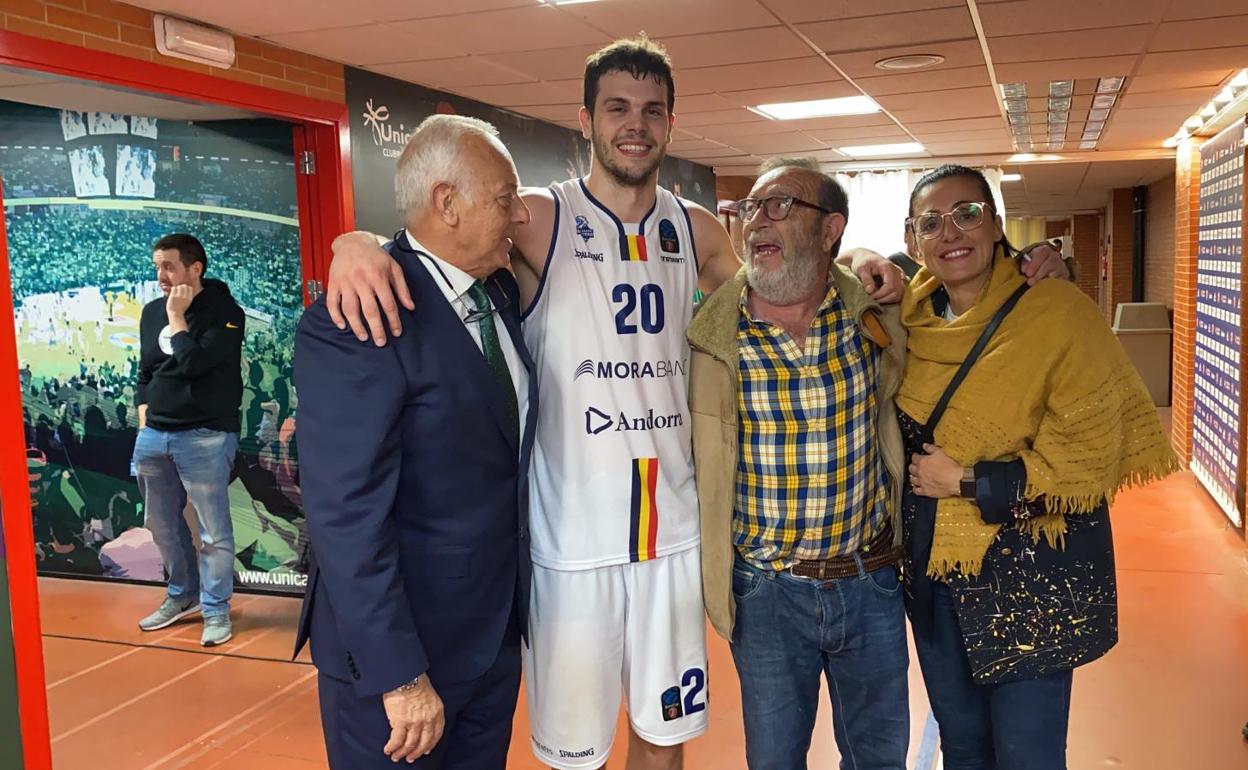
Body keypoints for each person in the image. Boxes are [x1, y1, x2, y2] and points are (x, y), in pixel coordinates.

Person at [328, 36, 905, 770]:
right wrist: (358, 242)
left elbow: (785, 279)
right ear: (586, 119)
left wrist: (859, 257)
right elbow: (439, 235)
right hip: (571, 539)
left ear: (670, 122)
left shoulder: (693, 228)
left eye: (653, 110)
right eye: (618, 108)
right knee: (578, 753)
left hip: (674, 533)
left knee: (665, 737)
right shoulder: (539, 217)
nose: (636, 124)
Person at [898, 165, 1177, 769]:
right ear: (913, 238)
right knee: (965, 750)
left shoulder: (1058, 314)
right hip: (937, 584)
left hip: (1031, 581)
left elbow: (1086, 463)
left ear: (997, 224)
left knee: (1029, 755)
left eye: (967, 213)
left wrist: (966, 482)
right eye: (930, 222)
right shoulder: (908, 324)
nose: (951, 231)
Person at [293, 114, 537, 769]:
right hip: (402, 668)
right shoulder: (357, 316)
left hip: (489, 645)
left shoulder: (500, 294)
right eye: (504, 198)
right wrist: (400, 678)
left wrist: (357, 237)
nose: (518, 217)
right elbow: (345, 516)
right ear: (447, 203)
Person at [687, 158, 910, 769]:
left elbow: (957, 289)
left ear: (830, 227)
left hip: (870, 582)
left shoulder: (871, 313)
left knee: (879, 758)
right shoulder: (709, 337)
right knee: (775, 760)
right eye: (750, 208)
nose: (757, 219)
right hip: (766, 593)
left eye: (780, 205)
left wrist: (1038, 266)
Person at [132, 233, 245, 647]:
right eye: (157, 265)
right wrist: (145, 418)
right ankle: (182, 595)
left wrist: (177, 315)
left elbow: (195, 364)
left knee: (214, 532)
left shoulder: (225, 313)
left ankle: (216, 610)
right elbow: (146, 372)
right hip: (154, 435)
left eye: (169, 266)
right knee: (159, 524)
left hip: (206, 436)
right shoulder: (149, 313)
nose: (161, 275)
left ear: (194, 268)